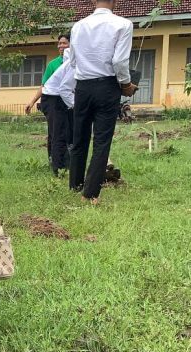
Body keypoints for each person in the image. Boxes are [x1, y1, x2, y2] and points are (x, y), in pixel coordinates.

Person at [69, 0, 135, 204]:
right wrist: (126, 84)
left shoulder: (78, 25)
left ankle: (76, 184)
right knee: (101, 141)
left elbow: (72, 61)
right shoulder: (123, 24)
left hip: (82, 86)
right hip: (106, 86)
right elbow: (119, 61)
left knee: (79, 137)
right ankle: (90, 194)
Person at [40, 48, 76, 177]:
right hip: (52, 98)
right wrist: (76, 106)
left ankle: (66, 165)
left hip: (58, 97)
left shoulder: (74, 58)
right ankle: (58, 169)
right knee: (59, 133)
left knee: (65, 132)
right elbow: (64, 89)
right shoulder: (75, 65)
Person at [24, 34, 71, 116]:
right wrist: (32, 102)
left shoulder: (75, 62)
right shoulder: (52, 64)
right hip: (56, 102)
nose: (61, 46)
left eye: (64, 43)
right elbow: (44, 86)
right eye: (59, 43)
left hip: (71, 101)